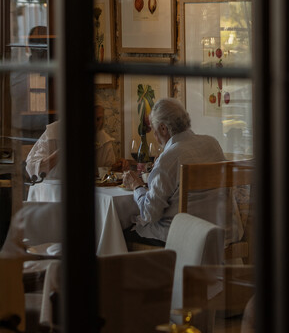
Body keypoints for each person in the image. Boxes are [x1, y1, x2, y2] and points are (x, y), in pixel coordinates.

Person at [122, 97, 239, 247]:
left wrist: (136, 186)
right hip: (223, 233)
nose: (156, 137)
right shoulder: (212, 143)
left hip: (186, 239)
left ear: (163, 128)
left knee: (121, 233)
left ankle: (164, 270)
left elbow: (150, 213)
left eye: (155, 129)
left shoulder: (171, 157)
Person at [25, 105, 117, 199]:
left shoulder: (103, 138)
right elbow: (32, 169)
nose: (96, 123)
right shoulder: (55, 132)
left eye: (99, 119)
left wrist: (117, 167)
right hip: (52, 195)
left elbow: (107, 171)